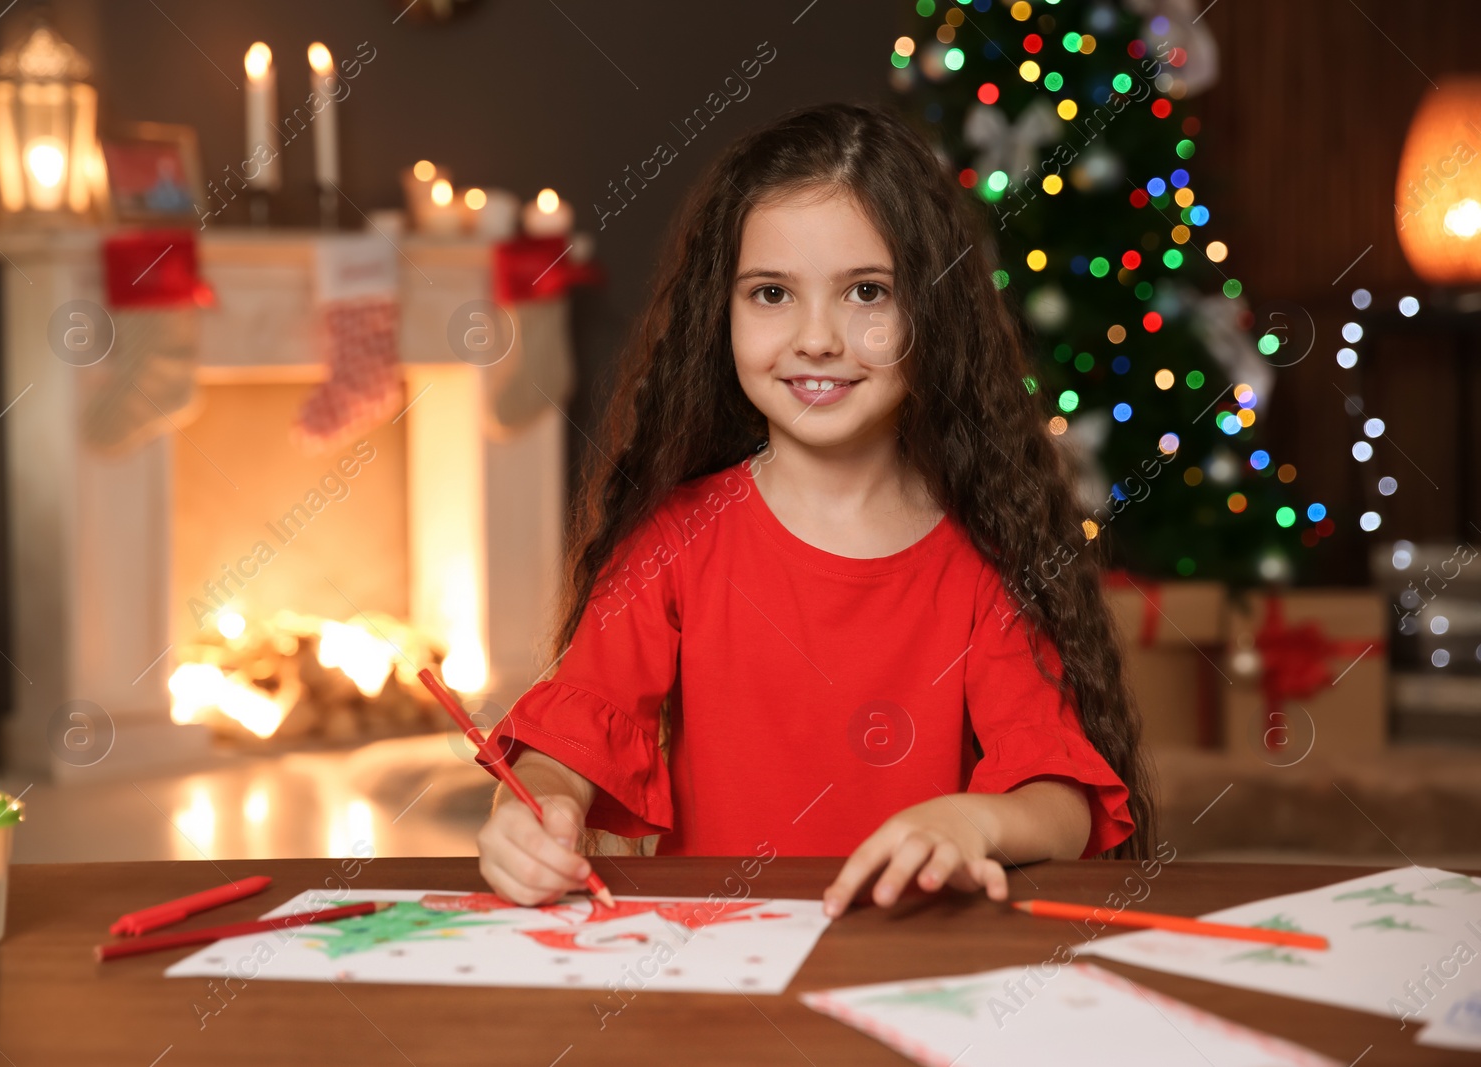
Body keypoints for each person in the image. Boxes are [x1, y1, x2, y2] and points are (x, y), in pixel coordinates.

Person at [473, 102, 1154, 918]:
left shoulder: (984, 555)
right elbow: (568, 742)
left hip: (909, 968)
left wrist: (974, 820)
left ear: (931, 314)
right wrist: (530, 809)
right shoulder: (674, 540)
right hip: (717, 971)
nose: (817, 337)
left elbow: (1064, 801)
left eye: (866, 292)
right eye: (772, 294)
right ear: (718, 312)